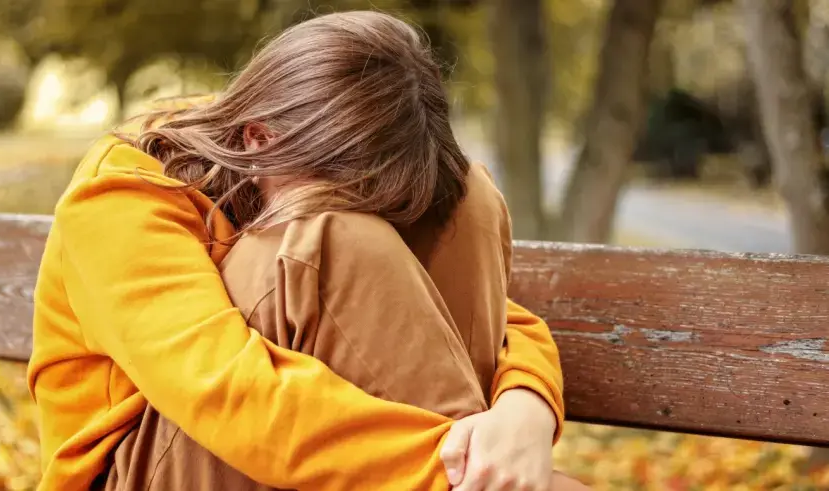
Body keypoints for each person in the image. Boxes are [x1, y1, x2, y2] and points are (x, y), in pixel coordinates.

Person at [29, 10, 576, 491]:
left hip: (314, 450)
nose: (373, 225)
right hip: (148, 464)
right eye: (345, 199)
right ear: (258, 139)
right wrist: (464, 472)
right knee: (334, 237)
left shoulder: (326, 154)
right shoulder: (122, 193)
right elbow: (232, 394)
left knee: (466, 201)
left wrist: (523, 410)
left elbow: (501, 318)